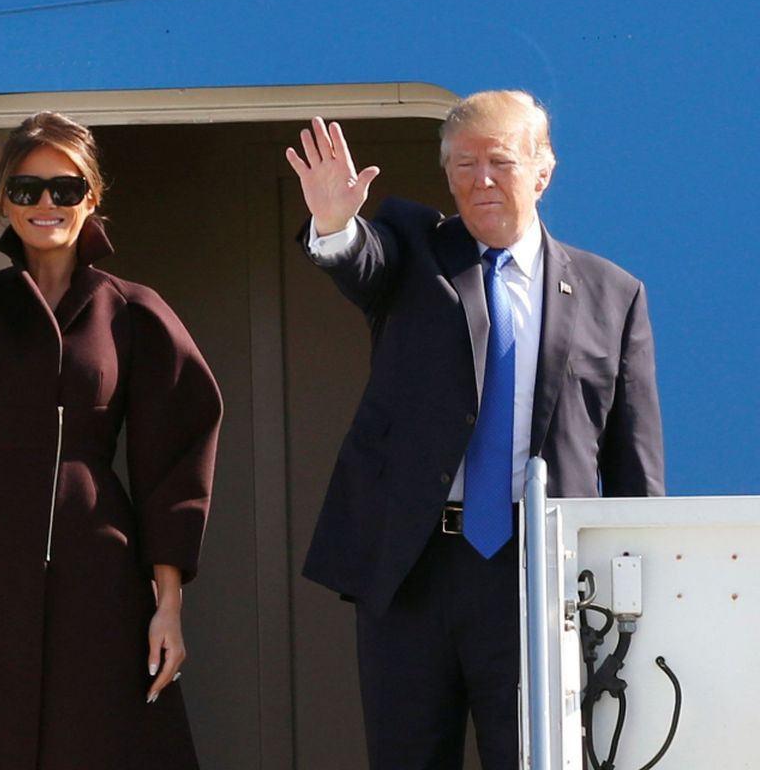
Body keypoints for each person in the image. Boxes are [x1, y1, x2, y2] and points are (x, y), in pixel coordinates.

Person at [0, 39, 222, 769]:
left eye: (64, 188)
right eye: (25, 189)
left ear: (92, 199)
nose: (45, 204)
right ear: (2, 201)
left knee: (101, 736)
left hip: (97, 557)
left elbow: (173, 460)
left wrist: (168, 604)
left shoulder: (132, 313)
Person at [284, 91, 664, 770]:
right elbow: (362, 262)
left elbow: (632, 462)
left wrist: (641, 585)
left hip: (536, 576)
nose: (480, 179)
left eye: (500, 161)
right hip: (414, 570)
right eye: (464, 164)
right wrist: (335, 224)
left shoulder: (614, 294)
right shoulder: (415, 249)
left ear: (542, 171)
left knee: (535, 758)